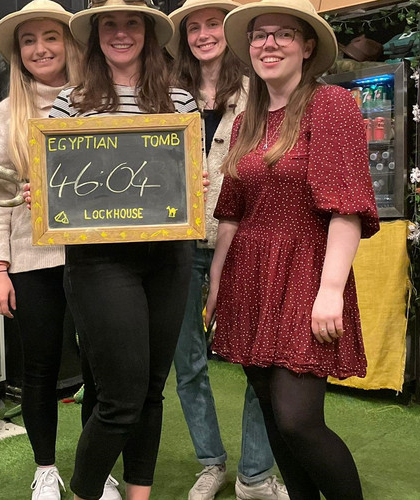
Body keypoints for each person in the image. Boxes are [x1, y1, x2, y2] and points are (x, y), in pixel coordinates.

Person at [206, 0, 379, 499]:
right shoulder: (247, 121)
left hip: (306, 272)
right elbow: (231, 214)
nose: (269, 44)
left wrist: (330, 289)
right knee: (270, 411)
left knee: (298, 419)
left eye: (283, 34)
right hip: (249, 276)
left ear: (306, 47)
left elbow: (346, 209)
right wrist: (216, 284)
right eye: (260, 35)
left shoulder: (331, 105)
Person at [45, 1, 198, 499]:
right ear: (96, 35)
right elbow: (52, 178)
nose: (120, 32)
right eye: (109, 24)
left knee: (151, 391)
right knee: (120, 400)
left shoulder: (179, 99)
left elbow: (189, 177)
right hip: (100, 260)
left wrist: (196, 185)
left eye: (132, 22)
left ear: (148, 32)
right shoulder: (71, 101)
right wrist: (41, 192)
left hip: (169, 256)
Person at [167, 1, 288, 499]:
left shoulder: (259, 88)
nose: (203, 34)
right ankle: (210, 462)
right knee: (188, 362)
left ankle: (254, 475)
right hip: (175, 245)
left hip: (243, 240)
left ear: (230, 30)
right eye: (193, 27)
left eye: (212, 24)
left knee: (258, 360)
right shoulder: (166, 93)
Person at [0, 2, 84, 499]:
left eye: (51, 37)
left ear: (70, 43)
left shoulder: (101, 102)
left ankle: (93, 469)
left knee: (102, 371)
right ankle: (45, 469)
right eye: (29, 40)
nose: (40, 49)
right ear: (18, 53)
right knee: (40, 370)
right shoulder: (7, 113)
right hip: (31, 259)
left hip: (96, 256)